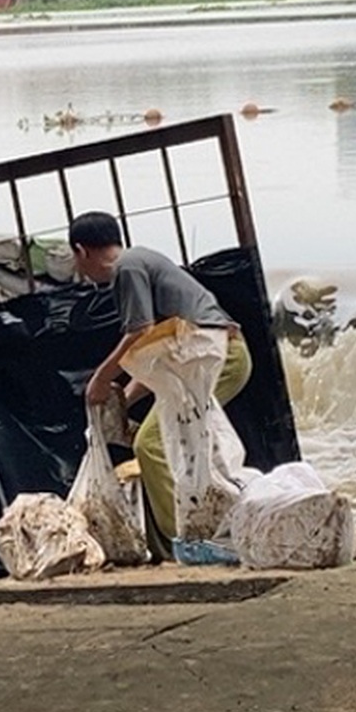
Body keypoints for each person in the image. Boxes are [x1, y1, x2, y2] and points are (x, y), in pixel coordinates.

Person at [71, 212, 252, 556]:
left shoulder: (127, 267)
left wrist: (101, 378)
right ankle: (220, 529)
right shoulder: (139, 260)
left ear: (82, 251)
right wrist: (124, 397)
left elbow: (139, 331)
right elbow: (160, 350)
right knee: (194, 448)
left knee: (152, 443)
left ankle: (186, 544)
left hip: (219, 357)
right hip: (209, 357)